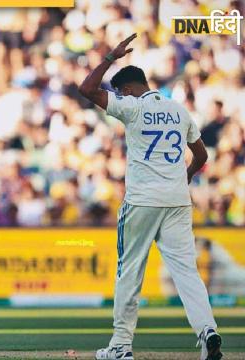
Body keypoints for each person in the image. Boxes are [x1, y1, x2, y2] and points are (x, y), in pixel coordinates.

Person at [79, 34, 222, 360]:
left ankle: (120, 346)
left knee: (129, 272)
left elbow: (86, 90)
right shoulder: (179, 110)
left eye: (118, 91)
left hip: (142, 201)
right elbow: (201, 156)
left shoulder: (132, 106)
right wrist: (183, 178)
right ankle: (208, 331)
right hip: (177, 201)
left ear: (127, 89)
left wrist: (111, 57)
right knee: (187, 272)